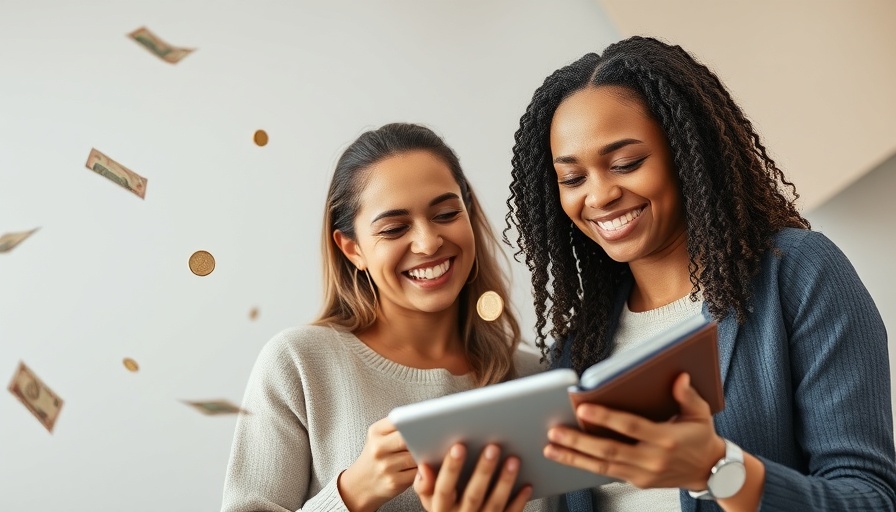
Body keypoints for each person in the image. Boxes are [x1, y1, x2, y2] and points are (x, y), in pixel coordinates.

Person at [502, 36, 896, 511]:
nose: (600, 195)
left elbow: (871, 499)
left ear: (688, 153)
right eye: (573, 179)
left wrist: (717, 470)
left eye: (626, 163)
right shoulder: (578, 347)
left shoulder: (797, 275)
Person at [221, 122, 551, 511]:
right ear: (351, 248)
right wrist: (352, 493)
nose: (428, 242)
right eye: (394, 228)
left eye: (446, 214)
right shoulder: (299, 364)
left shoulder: (533, 378)